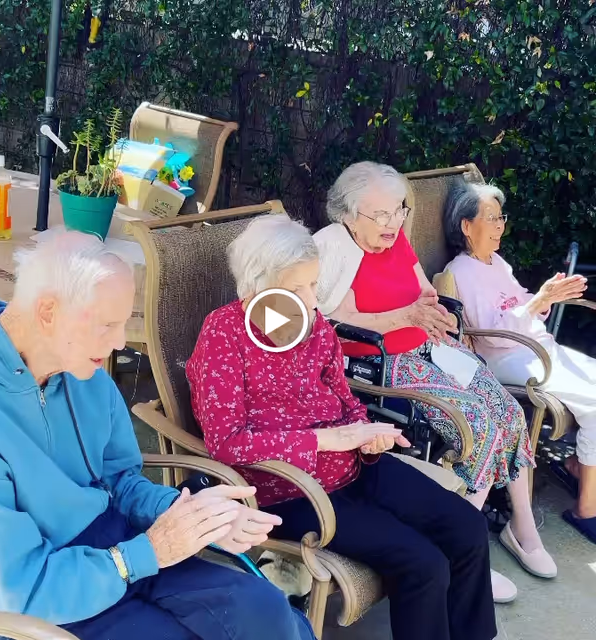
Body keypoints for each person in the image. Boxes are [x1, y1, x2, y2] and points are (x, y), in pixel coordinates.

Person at [0, 231, 314, 640]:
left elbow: (121, 481)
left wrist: (194, 515)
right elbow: (22, 590)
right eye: (108, 324)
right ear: (48, 312)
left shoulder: (78, 368)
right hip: (43, 595)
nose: (120, 342)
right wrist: (146, 553)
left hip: (116, 542)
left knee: (265, 610)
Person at [186, 214, 497, 640]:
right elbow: (226, 444)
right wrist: (327, 439)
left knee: (468, 527)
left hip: (355, 466)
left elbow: (345, 398)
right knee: (423, 563)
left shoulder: (314, 328)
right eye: (297, 289)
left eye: (314, 285)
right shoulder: (223, 334)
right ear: (257, 286)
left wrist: (367, 434)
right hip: (289, 489)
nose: (312, 302)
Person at [313, 161, 557, 600]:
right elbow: (336, 323)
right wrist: (404, 317)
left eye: (399, 211)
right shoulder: (333, 248)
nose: (394, 223)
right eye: (381, 215)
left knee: (506, 410)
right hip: (383, 365)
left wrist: (436, 312)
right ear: (347, 215)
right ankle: (464, 551)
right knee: (478, 423)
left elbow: (424, 290)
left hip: (429, 348)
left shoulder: (396, 241)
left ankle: (522, 528)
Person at [443, 178, 596, 544]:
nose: (500, 226)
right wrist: (535, 303)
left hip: (536, 347)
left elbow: (519, 303)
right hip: (508, 357)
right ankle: (586, 509)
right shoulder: (459, 271)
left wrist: (545, 296)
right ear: (466, 226)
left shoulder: (497, 262)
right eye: (491, 218)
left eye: (501, 217)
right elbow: (489, 334)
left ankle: (577, 465)